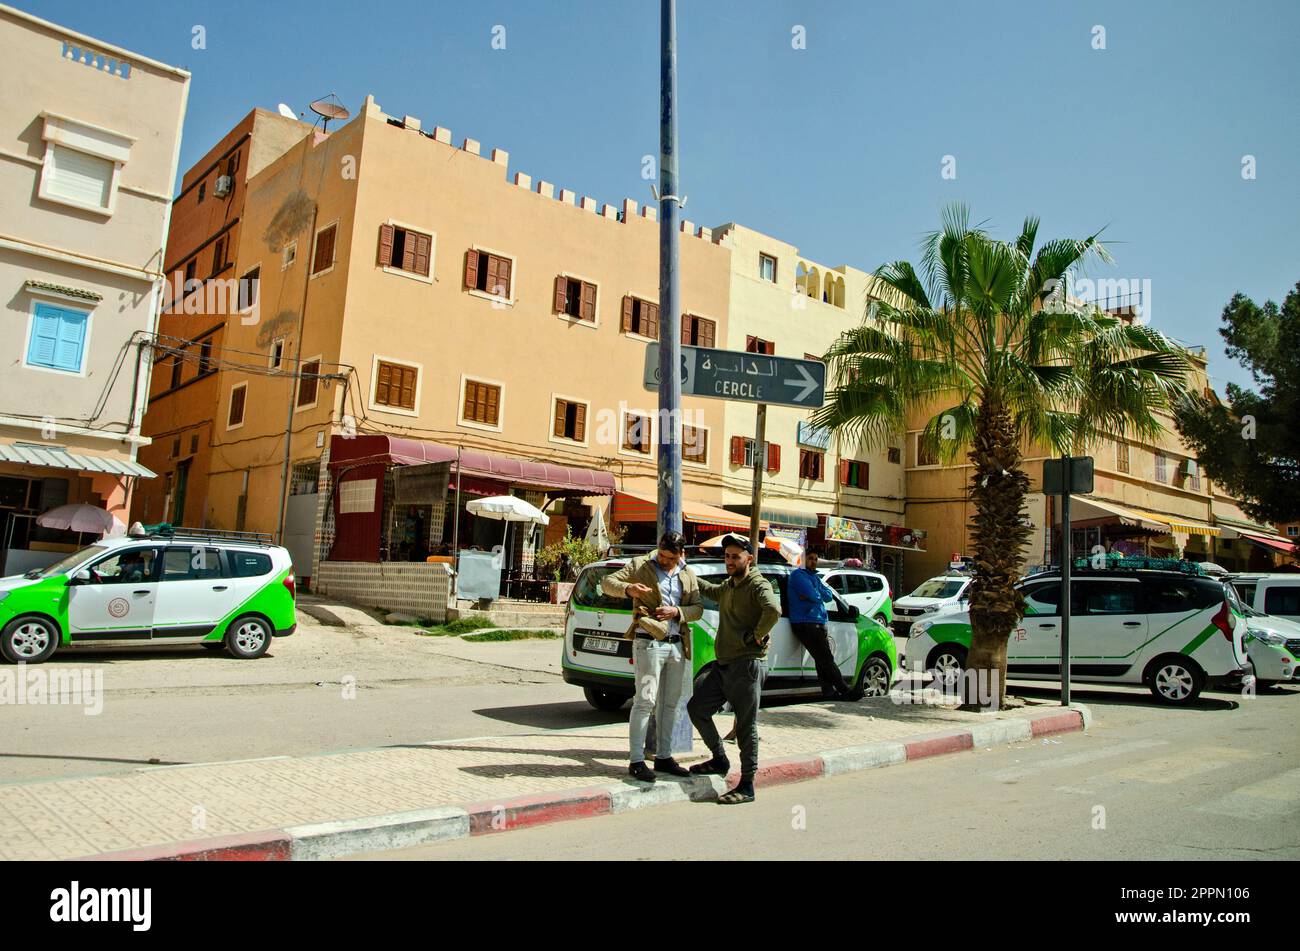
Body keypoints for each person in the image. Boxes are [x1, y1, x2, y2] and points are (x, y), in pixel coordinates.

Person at [601, 531, 703, 783]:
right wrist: (629, 589)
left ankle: (664, 756)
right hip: (649, 642)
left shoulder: (687, 573)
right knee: (644, 701)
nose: (665, 561)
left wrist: (677, 611)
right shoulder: (641, 565)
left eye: (670, 558)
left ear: (681, 554)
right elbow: (607, 583)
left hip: (677, 644)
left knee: (670, 704)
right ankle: (636, 760)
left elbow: (698, 608)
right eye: (662, 555)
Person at [688, 534, 781, 805]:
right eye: (727, 556)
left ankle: (747, 785)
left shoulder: (757, 584)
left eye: (735, 557)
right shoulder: (730, 585)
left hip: (747, 666)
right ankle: (719, 758)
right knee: (697, 708)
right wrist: (686, 571)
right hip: (724, 666)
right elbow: (710, 591)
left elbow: (773, 610)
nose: (729, 561)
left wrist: (756, 635)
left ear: (748, 558)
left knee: (745, 727)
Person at [788, 547, 851, 698]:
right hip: (806, 623)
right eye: (810, 558)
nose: (813, 562)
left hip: (818, 622)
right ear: (803, 559)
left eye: (816, 559)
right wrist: (814, 594)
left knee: (821, 660)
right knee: (826, 659)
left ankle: (828, 691)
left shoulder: (815, 577)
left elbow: (828, 595)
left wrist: (814, 594)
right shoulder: (798, 575)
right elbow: (814, 595)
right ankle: (844, 690)